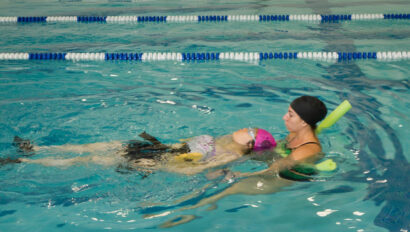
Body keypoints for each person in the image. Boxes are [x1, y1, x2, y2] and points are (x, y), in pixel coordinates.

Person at [168, 95, 328, 211]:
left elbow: (274, 170)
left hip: (280, 178)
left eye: (290, 115)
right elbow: (274, 153)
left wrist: (234, 175)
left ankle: (185, 211)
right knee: (235, 149)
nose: (284, 117)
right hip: (276, 162)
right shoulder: (294, 133)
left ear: (303, 122)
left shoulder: (309, 149)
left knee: (227, 188)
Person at [4, 128, 277, 175]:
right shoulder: (222, 139)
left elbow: (193, 170)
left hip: (156, 160)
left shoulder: (229, 156)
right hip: (157, 148)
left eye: (251, 132)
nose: (246, 128)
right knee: (102, 146)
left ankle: (23, 163)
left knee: (88, 160)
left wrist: (158, 166)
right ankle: (37, 149)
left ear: (250, 145)